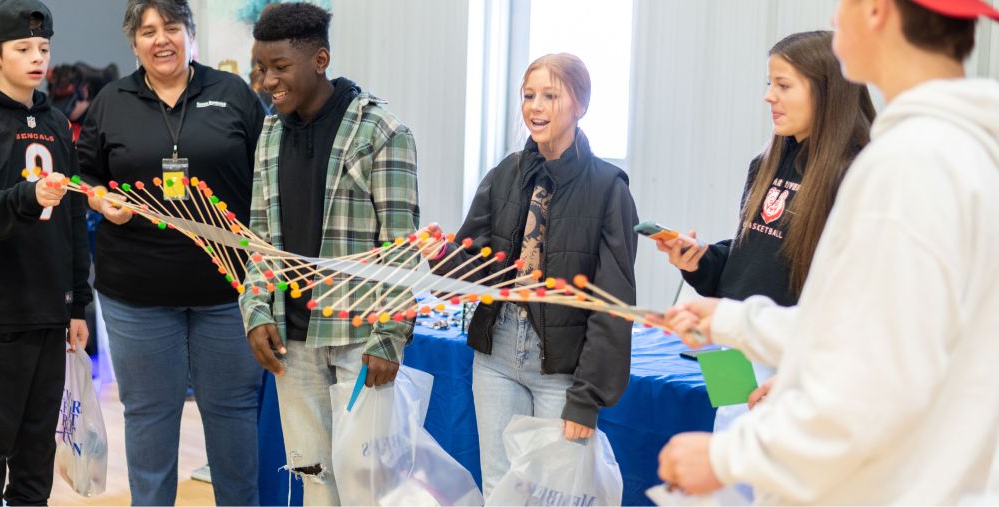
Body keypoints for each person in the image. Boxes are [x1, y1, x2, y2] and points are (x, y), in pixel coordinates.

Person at [658, 0, 999, 503]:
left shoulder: (912, 164)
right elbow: (858, 323)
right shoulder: (951, 151)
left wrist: (728, 457)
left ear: (877, 12)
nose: (838, 17)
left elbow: (876, 373)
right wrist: (729, 320)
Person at [421, 53, 638, 497]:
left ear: (581, 104)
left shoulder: (608, 188)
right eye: (528, 96)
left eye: (550, 96)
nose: (535, 107)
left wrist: (587, 397)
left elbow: (613, 302)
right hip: (496, 354)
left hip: (561, 368)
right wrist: (439, 253)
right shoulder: (506, 174)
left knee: (553, 493)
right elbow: (476, 265)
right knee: (501, 488)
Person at [76, 0, 265, 504]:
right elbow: (84, 175)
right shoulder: (111, 101)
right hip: (136, 292)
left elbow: (268, 176)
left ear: (190, 33)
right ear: (133, 42)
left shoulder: (233, 95)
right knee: (149, 416)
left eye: (172, 28)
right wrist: (98, 197)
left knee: (232, 413)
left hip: (227, 290)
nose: (161, 40)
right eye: (148, 31)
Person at [240, 3, 420, 504]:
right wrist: (255, 310)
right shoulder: (271, 131)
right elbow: (259, 236)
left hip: (358, 336)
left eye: (279, 67)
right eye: (260, 67)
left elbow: (402, 248)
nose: (266, 79)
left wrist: (390, 336)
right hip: (290, 342)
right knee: (314, 478)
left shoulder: (381, 132)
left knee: (366, 484)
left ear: (319, 60)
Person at [653, 30, 875, 407]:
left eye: (783, 85)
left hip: (795, 358)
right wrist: (702, 260)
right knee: (731, 442)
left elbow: (857, 299)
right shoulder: (765, 164)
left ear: (825, 91)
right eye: (769, 83)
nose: (768, 96)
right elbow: (754, 260)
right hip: (734, 349)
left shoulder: (857, 173)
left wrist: (803, 369)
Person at [0, 0, 91, 503]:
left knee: (37, 451)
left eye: (44, 48)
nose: (37, 58)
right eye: (23, 48)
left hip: (50, 312)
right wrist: (29, 196)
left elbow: (74, 219)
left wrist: (79, 303)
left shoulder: (55, 122)